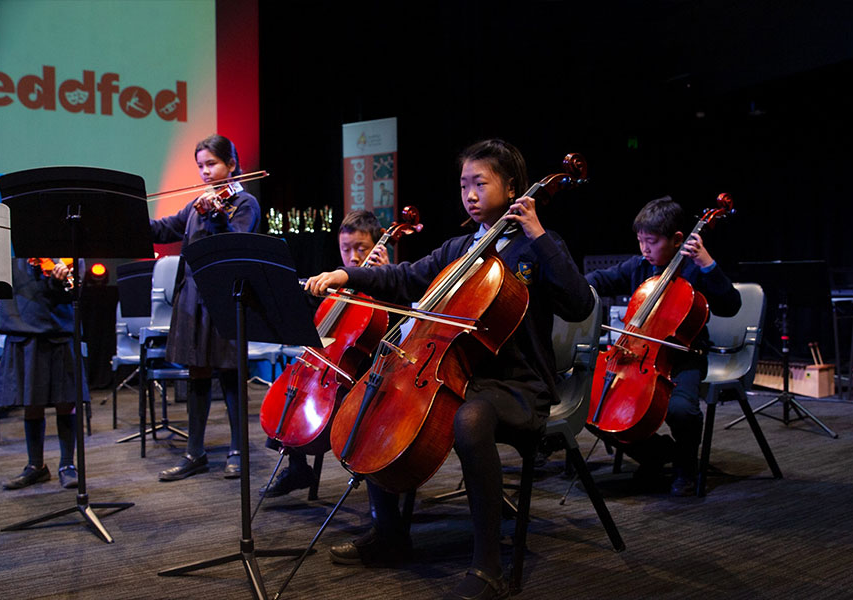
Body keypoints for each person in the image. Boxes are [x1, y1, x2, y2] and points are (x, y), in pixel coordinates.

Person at [305, 139, 593, 600]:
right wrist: (347, 275)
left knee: (471, 418)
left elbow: (580, 303)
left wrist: (538, 233)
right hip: (462, 372)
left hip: (518, 385)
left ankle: (488, 567)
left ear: (514, 187)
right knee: (380, 397)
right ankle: (390, 536)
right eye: (464, 185)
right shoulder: (460, 247)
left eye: (481, 183)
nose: (470, 194)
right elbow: (403, 277)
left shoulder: (539, 247)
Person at [585, 196, 741, 497]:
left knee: (681, 410)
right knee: (594, 406)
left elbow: (730, 305)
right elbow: (598, 280)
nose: (645, 249)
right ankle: (656, 454)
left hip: (684, 358)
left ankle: (685, 468)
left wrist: (707, 264)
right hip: (637, 357)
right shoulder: (639, 266)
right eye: (641, 241)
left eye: (652, 242)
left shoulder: (696, 270)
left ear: (677, 239)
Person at [150, 134, 260, 481]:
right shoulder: (199, 203)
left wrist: (215, 217)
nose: (205, 172)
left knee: (229, 375)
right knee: (196, 371)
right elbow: (166, 227)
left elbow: (234, 245)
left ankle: (238, 451)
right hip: (192, 298)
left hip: (226, 297)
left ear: (231, 164)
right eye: (200, 166)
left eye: (211, 164)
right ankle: (194, 453)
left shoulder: (244, 204)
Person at [261, 209, 389, 498]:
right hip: (330, 369)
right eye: (346, 249)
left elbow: (399, 323)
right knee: (288, 396)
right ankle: (297, 467)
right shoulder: (337, 287)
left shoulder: (389, 282)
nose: (354, 257)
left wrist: (384, 279)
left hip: (369, 374)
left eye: (362, 249)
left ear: (377, 247)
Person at [0, 258, 83, 490]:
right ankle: (36, 466)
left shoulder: (64, 248)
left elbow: (74, 294)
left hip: (58, 330)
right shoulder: (6, 248)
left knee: (66, 400)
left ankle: (67, 465)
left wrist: (60, 281)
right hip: (21, 328)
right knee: (30, 402)